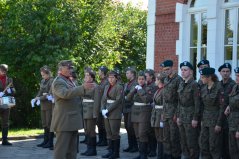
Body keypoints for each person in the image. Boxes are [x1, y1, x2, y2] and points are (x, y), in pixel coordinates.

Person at [51, 60, 94, 159]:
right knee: (61, 151)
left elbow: (75, 94)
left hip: (71, 121)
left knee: (72, 150)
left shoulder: (68, 80)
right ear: (61, 69)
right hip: (64, 121)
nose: (71, 69)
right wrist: (82, 88)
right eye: (68, 68)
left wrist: (85, 89)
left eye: (71, 68)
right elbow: (65, 94)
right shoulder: (58, 81)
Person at [126, 70, 154, 159]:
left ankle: (144, 155)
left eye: (142, 79)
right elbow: (128, 98)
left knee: (142, 134)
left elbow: (147, 100)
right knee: (137, 134)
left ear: (145, 80)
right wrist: (133, 90)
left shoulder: (148, 88)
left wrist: (140, 90)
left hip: (144, 113)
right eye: (139, 79)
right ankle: (140, 153)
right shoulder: (135, 87)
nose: (141, 81)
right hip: (135, 113)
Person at [177, 61, 200, 159]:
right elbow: (179, 102)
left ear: (191, 71)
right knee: (183, 141)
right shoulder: (182, 83)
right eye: (181, 70)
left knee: (192, 142)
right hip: (182, 117)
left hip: (190, 118)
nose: (183, 72)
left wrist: (195, 118)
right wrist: (178, 116)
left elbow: (197, 103)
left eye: (185, 70)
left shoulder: (194, 84)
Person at [199, 67, 224, 159]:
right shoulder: (203, 88)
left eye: (202, 77)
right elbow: (202, 106)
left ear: (209, 77)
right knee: (203, 144)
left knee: (214, 145)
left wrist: (219, 123)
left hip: (215, 120)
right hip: (205, 119)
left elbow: (222, 107)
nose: (201, 79)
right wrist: (202, 119)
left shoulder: (219, 87)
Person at [160, 60, 182, 159]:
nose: (166, 71)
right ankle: (167, 154)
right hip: (166, 111)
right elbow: (164, 98)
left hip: (174, 111)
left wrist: (176, 114)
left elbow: (179, 99)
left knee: (174, 136)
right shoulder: (165, 79)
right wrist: (163, 112)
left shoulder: (178, 79)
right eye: (164, 70)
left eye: (168, 69)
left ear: (172, 68)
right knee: (166, 136)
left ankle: (175, 155)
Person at [101, 70, 123, 159]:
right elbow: (103, 99)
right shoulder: (107, 86)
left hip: (115, 112)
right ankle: (110, 151)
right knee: (108, 133)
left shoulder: (119, 87)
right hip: (106, 111)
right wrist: (103, 109)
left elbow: (118, 101)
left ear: (116, 78)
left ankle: (116, 153)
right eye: (109, 77)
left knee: (115, 133)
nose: (110, 79)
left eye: (112, 77)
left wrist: (107, 110)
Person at [80, 69, 101, 156]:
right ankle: (88, 149)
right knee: (86, 130)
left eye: (88, 75)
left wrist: (95, 113)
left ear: (92, 78)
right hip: (85, 110)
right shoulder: (83, 85)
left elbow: (97, 101)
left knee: (91, 131)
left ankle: (92, 150)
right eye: (85, 75)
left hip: (91, 111)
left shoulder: (95, 87)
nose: (85, 77)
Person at [218, 63, 235, 159]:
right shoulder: (218, 85)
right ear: (220, 72)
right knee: (219, 144)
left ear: (230, 73)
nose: (225, 73)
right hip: (219, 118)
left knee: (229, 145)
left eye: (227, 71)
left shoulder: (233, 85)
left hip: (229, 119)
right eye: (223, 71)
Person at [35, 66, 54, 150]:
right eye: (41, 75)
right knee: (44, 123)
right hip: (43, 104)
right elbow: (40, 91)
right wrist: (36, 97)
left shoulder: (52, 81)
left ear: (48, 74)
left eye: (43, 75)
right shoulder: (43, 81)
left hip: (49, 104)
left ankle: (50, 142)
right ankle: (45, 141)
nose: (42, 76)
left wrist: (40, 98)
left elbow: (50, 93)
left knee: (49, 123)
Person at [151, 72, 166, 159]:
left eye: (156, 79)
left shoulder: (164, 90)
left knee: (161, 136)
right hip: (156, 114)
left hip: (160, 115)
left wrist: (162, 119)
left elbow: (165, 105)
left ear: (160, 81)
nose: (155, 81)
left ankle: (161, 156)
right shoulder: (158, 89)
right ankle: (159, 155)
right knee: (158, 136)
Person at [123, 66, 138, 153]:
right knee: (127, 127)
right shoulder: (126, 84)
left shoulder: (135, 83)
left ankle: (135, 146)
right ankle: (130, 145)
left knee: (131, 127)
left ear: (132, 74)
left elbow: (131, 95)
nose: (126, 74)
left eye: (128, 73)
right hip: (126, 107)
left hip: (132, 107)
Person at [224, 67, 239, 159]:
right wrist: (229, 106)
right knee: (232, 149)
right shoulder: (235, 87)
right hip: (232, 122)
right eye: (236, 75)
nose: (237, 78)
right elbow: (233, 99)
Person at [0, 64, 16, 146]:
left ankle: (5, 140)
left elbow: (14, 91)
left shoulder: (9, 79)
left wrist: (10, 90)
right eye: (2, 71)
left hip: (6, 103)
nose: (4, 72)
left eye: (5, 71)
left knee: (5, 122)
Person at [145, 68, 158, 157]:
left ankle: (153, 150)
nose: (145, 78)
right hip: (145, 111)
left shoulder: (154, 86)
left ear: (151, 76)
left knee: (152, 132)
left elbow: (150, 98)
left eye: (146, 76)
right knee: (147, 131)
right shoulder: (146, 85)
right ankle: (149, 148)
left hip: (152, 111)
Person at [96, 66, 108, 146]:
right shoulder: (102, 81)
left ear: (103, 72)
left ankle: (104, 140)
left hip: (103, 105)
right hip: (99, 105)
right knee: (99, 123)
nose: (98, 73)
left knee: (103, 124)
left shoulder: (106, 82)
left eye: (99, 71)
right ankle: (101, 140)